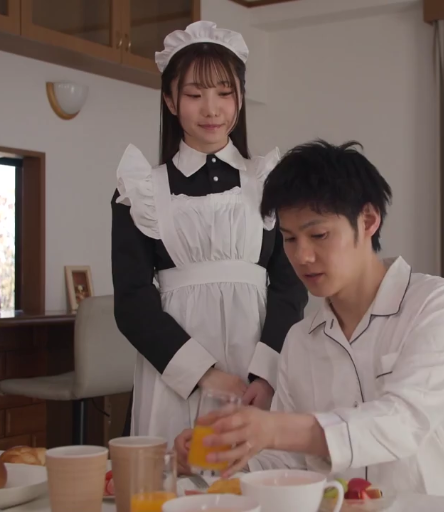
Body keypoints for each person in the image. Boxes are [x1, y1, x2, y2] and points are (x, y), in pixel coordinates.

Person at [176, 140, 444, 499]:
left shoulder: (437, 306)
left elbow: (403, 421)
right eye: (290, 239)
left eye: (318, 235)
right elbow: (287, 465)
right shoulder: (300, 341)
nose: (302, 256)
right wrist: (221, 457)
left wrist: (273, 428)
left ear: (368, 220)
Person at [111, 21, 308, 447]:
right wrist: (203, 374)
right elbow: (131, 301)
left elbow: (290, 287)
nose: (211, 109)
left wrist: (265, 373)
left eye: (224, 93)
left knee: (260, 476)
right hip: (176, 376)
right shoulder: (141, 190)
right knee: (176, 475)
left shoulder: (270, 181)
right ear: (170, 100)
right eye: (194, 95)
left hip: (259, 371)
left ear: (240, 98)